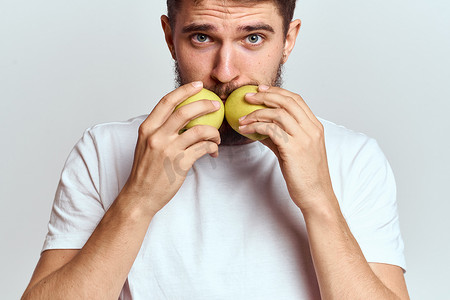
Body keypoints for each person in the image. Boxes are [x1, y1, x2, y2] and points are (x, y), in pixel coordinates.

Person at [22, 0, 410, 299]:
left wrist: (318, 198)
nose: (225, 71)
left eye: (253, 38)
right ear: (169, 36)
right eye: (202, 37)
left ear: (288, 40)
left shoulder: (354, 157)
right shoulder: (103, 150)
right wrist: (137, 200)